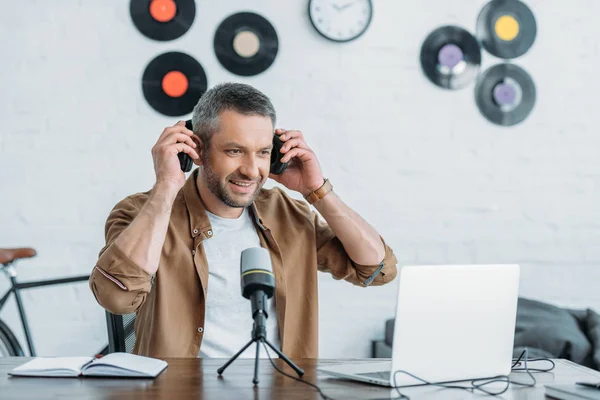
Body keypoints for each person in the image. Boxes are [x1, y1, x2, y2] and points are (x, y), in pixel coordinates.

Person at [89, 82, 398, 359]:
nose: (252, 170)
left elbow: (377, 269)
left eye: (263, 153)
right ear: (196, 149)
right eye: (235, 151)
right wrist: (166, 186)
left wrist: (317, 191)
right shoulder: (140, 212)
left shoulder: (288, 214)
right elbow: (117, 298)